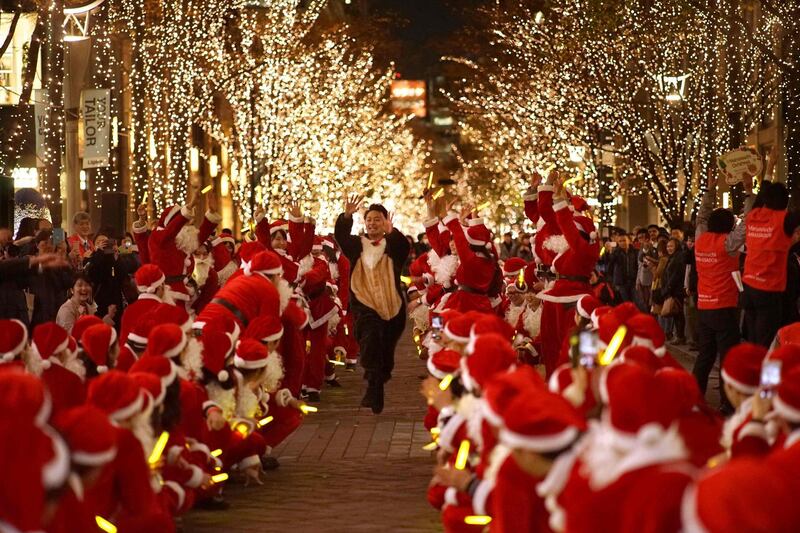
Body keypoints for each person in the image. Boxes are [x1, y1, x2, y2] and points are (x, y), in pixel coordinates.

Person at [334, 194, 410, 414]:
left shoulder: (393, 245)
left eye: (378, 219)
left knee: (385, 356)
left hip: (391, 307)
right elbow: (341, 235)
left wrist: (392, 231)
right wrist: (346, 216)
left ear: (385, 222)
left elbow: (403, 247)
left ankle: (377, 382)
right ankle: (373, 388)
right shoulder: (357, 245)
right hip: (365, 306)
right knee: (369, 342)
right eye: (369, 220)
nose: (373, 223)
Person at [692, 171, 753, 412]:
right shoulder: (727, 244)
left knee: (705, 356)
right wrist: (748, 191)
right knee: (728, 357)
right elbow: (747, 224)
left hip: (704, 306)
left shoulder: (700, 238)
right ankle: (729, 404)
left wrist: (708, 190)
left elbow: (701, 217)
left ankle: (695, 398)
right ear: (728, 226)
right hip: (725, 306)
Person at [741, 180, 800, 346]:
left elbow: (760, 198)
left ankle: (753, 370)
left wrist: (770, 167)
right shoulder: (783, 220)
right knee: (766, 341)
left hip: (749, 286)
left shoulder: (753, 215)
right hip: (768, 290)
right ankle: (766, 372)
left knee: (753, 339)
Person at [659, 237, 687, 344]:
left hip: (676, 290)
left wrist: (668, 288)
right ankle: (679, 335)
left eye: (671, 246)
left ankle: (680, 336)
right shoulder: (672, 257)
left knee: (678, 313)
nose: (669, 248)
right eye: (668, 246)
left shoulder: (678, 257)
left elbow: (676, 275)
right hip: (671, 289)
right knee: (676, 314)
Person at [606, 233, 638, 304]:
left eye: (624, 240)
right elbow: (609, 266)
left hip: (633, 281)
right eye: (620, 241)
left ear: (629, 241)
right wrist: (609, 252)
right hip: (621, 282)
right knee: (626, 301)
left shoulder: (635, 252)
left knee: (636, 301)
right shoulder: (616, 253)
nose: (622, 243)